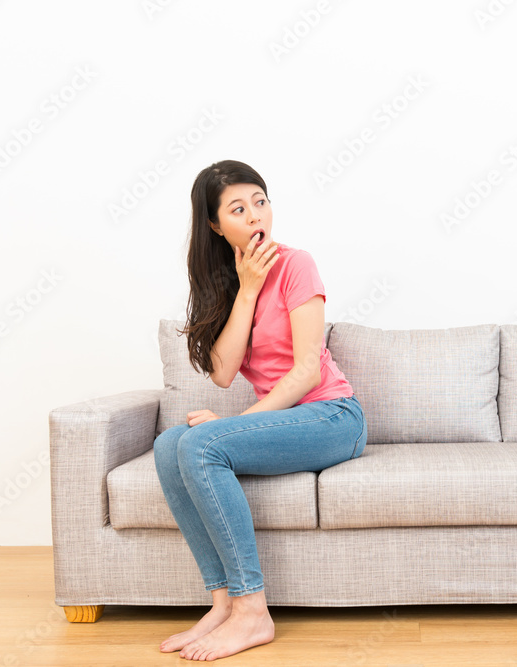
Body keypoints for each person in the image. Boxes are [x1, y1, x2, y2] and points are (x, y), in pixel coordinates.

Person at [153, 159, 367, 661]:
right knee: (167, 445)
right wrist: (247, 288)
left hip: (333, 417)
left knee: (200, 444)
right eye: (238, 209)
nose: (255, 215)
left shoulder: (297, 264)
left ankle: (253, 611)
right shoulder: (229, 282)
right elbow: (223, 372)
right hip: (289, 419)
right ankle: (224, 603)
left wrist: (232, 424)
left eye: (260, 202)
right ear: (214, 225)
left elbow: (307, 372)